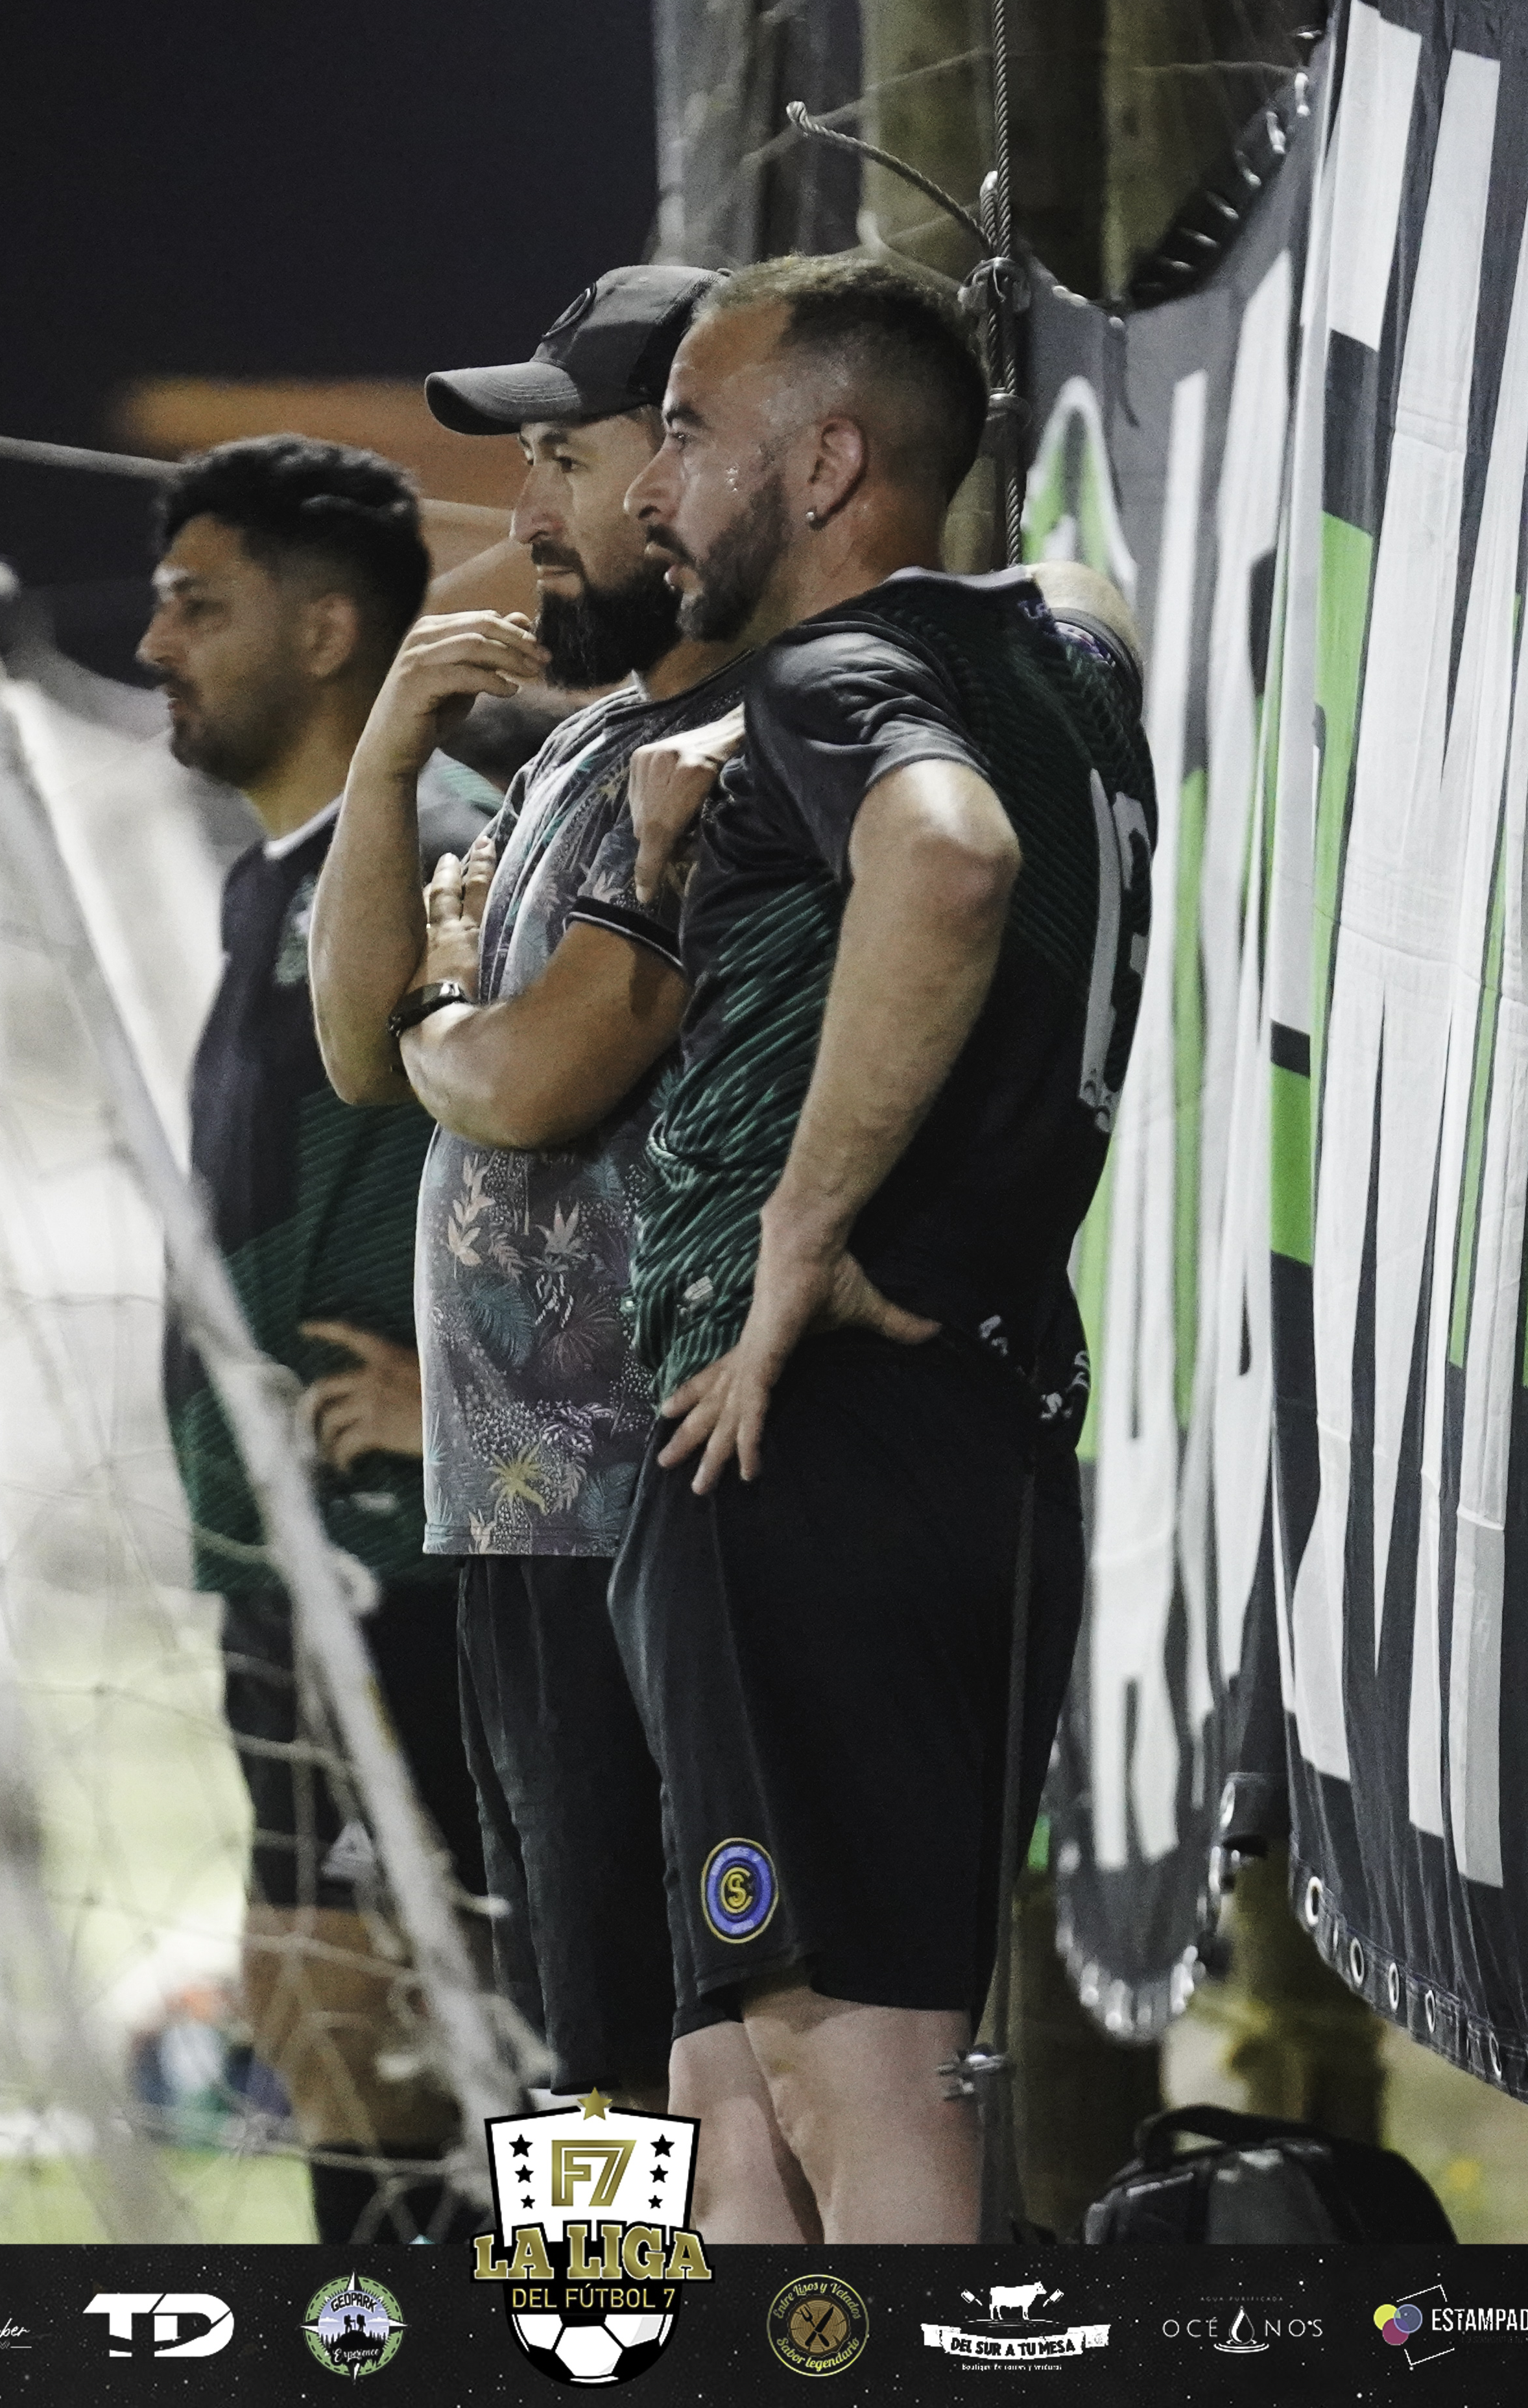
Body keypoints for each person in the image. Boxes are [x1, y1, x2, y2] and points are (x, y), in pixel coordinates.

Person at [612, 254, 1154, 2241]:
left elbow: (946, 855)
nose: (653, 483)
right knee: (733, 2096)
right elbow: (1075, 620)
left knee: (855, 2078)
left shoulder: (832, 681)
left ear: (829, 464)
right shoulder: (1066, 660)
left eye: (690, 429)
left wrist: (799, 1240)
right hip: (964, 1420)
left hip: (797, 1434)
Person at [307, 267, 751, 2110]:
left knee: (676, 2043)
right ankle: (599, 2281)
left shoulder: (748, 748)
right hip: (518, 1507)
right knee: (589, 2033)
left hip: (655, 1501)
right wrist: (386, 757)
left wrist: (442, 1013)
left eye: (568, 459)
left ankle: (625, 2284)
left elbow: (503, 1073)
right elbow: (359, 1048)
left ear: (691, 462)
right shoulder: (582, 739)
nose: (529, 511)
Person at [140, 434, 499, 2242]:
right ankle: (394, 2340)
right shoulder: (275, 882)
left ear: (328, 629)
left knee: (486, 2015)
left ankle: (587, 2333)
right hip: (296, 1559)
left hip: (416, 1561)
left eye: (197, 606)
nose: (154, 644)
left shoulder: (441, 853)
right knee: (329, 2011)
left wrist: (477, 1397)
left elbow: (583, 1146)